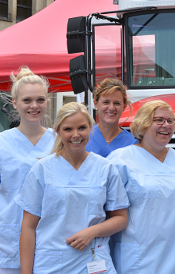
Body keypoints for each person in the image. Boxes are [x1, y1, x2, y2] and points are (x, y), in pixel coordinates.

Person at [17, 102, 131, 274]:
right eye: (68, 129)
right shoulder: (42, 169)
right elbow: (28, 227)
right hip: (51, 262)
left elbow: (121, 218)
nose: (76, 135)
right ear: (58, 132)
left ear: (91, 129)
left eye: (82, 128)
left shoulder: (105, 168)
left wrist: (92, 231)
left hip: (94, 259)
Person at [0, 68, 57, 274]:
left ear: (47, 101)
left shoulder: (59, 141)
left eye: (40, 100)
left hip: (50, 238)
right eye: (27, 100)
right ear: (14, 102)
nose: (34, 106)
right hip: (6, 242)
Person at [107, 100, 175, 273]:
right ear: (143, 123)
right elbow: (105, 212)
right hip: (138, 257)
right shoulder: (120, 160)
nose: (166, 125)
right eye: (159, 120)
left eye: (171, 121)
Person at [87, 78, 136, 157]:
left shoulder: (133, 143)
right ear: (95, 104)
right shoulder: (84, 138)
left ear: (124, 106)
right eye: (106, 102)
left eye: (117, 103)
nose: (111, 108)